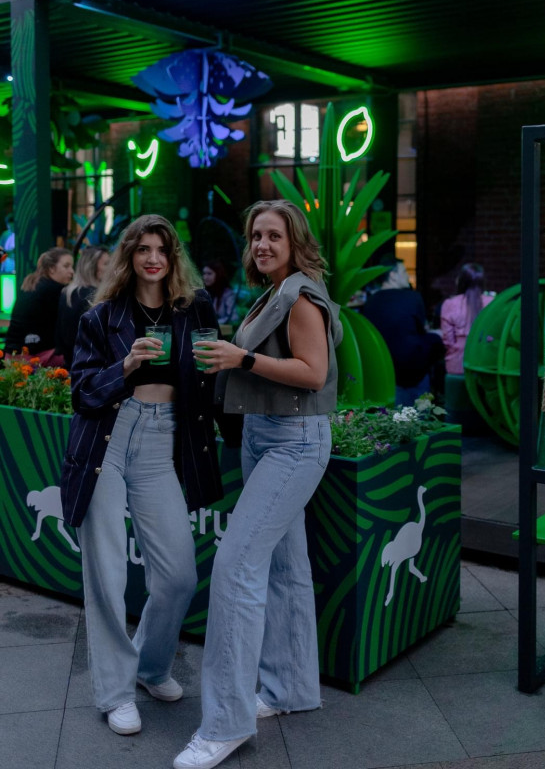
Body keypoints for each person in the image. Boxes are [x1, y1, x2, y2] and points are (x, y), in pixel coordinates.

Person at [173, 198, 342, 769]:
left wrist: (240, 359)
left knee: (235, 566)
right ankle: (290, 688)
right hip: (264, 436)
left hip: (294, 442)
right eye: (255, 236)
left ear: (295, 241)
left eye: (273, 235)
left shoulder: (301, 296)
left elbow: (314, 373)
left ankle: (224, 724)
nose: (262, 244)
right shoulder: (274, 291)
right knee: (285, 567)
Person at [59, 214, 223, 737]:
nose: (153, 258)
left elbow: (211, 376)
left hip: (161, 440)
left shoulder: (195, 308)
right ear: (129, 256)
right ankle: (114, 693)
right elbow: (81, 393)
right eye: (143, 249)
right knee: (106, 573)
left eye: (162, 250)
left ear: (174, 258)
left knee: (179, 574)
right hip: (108, 438)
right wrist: (126, 366)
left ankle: (151, 668)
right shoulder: (101, 317)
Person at [360, 255, 443, 407]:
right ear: (393, 275)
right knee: (437, 337)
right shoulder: (412, 297)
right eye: (404, 272)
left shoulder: (370, 302)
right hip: (411, 371)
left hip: (382, 369)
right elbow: (422, 329)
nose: (407, 276)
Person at [4, 247, 74, 362]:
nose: (72, 271)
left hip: (11, 356)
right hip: (36, 359)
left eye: (72, 266)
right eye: (66, 266)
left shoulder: (31, 283)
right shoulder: (55, 290)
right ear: (51, 268)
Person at [55, 245, 110, 368]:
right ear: (92, 267)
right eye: (106, 264)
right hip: (90, 366)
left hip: (68, 363)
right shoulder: (94, 296)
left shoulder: (67, 292)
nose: (111, 268)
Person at [439, 263, 494, 374]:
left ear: (460, 281)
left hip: (456, 366)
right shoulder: (492, 303)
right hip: (485, 365)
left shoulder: (450, 304)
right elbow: (493, 336)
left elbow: (448, 342)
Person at [201, 258, 238, 326]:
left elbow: (233, 317)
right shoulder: (204, 292)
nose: (205, 277)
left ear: (218, 274)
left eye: (209, 273)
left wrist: (212, 323)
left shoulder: (227, 294)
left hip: (223, 330)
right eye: (204, 274)